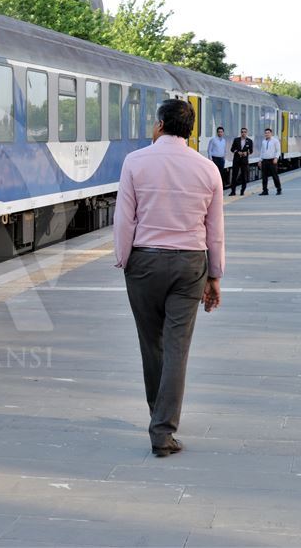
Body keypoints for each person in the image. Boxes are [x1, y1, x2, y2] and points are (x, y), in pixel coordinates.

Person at [114, 98, 224, 457]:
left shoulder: (135, 162)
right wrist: (214, 276)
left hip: (144, 262)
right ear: (189, 130)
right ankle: (163, 429)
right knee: (177, 348)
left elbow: (125, 218)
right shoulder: (208, 169)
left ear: (160, 125)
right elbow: (215, 230)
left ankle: (157, 414)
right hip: (190, 264)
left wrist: (124, 258)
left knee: (151, 344)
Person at [228, 127, 253, 196]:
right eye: (242, 132)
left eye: (245, 132)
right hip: (236, 160)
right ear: (240, 133)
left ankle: (242, 191)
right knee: (234, 176)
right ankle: (233, 191)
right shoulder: (236, 140)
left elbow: (251, 151)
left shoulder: (249, 141)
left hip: (244, 161)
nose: (243, 133)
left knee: (244, 176)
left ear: (246, 133)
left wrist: (246, 153)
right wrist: (237, 152)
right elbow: (232, 149)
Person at [259, 127, 282, 196]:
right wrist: (260, 160)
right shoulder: (263, 141)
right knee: (264, 177)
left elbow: (278, 150)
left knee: (275, 176)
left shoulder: (275, 141)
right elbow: (262, 151)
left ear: (271, 133)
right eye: (266, 133)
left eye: (268, 133)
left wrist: (276, 158)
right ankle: (265, 190)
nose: (267, 134)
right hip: (264, 161)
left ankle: (279, 189)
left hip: (272, 161)